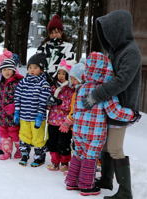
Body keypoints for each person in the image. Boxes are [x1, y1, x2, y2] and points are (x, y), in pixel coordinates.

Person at [82, 10, 142, 199]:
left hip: (121, 107)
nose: (106, 37)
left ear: (117, 30)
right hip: (109, 105)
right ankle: (107, 179)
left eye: (109, 32)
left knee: (115, 148)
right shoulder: (117, 51)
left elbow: (122, 81)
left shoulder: (131, 52)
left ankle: (125, 192)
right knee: (106, 146)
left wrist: (96, 95)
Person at [65, 52, 139, 196]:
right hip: (94, 132)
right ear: (105, 69)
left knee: (78, 154)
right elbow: (114, 111)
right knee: (90, 157)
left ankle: (72, 181)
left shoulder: (81, 87)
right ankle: (87, 186)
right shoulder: (104, 90)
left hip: (78, 129)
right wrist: (132, 115)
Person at [14, 53, 53, 167]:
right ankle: (24, 154)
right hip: (24, 116)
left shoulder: (44, 84)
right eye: (30, 67)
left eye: (35, 68)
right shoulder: (23, 82)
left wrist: (40, 114)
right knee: (24, 136)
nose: (32, 70)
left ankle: (39, 157)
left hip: (37, 117)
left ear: (41, 69)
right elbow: (17, 96)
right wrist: (17, 111)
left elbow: (43, 99)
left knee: (38, 137)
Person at [0, 59, 23, 160]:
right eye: (4, 70)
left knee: (15, 135)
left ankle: (20, 151)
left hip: (13, 118)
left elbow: (21, 99)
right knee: (4, 136)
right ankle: (7, 152)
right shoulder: (0, 84)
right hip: (1, 117)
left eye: (9, 69)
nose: (7, 72)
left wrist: (14, 107)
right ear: (1, 71)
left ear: (14, 71)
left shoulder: (17, 84)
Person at [46, 59, 75, 172]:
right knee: (52, 142)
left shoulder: (70, 89)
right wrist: (49, 103)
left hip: (64, 122)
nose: (61, 76)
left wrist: (60, 103)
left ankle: (64, 162)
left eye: (64, 74)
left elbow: (71, 105)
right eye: (59, 73)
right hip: (52, 120)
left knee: (64, 143)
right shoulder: (53, 87)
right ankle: (55, 162)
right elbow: (48, 104)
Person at [37, 14, 74, 83]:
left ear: (61, 32)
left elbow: (68, 63)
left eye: (56, 32)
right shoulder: (43, 46)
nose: (54, 35)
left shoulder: (68, 46)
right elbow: (37, 61)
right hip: (42, 79)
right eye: (51, 33)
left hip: (59, 79)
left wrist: (55, 76)